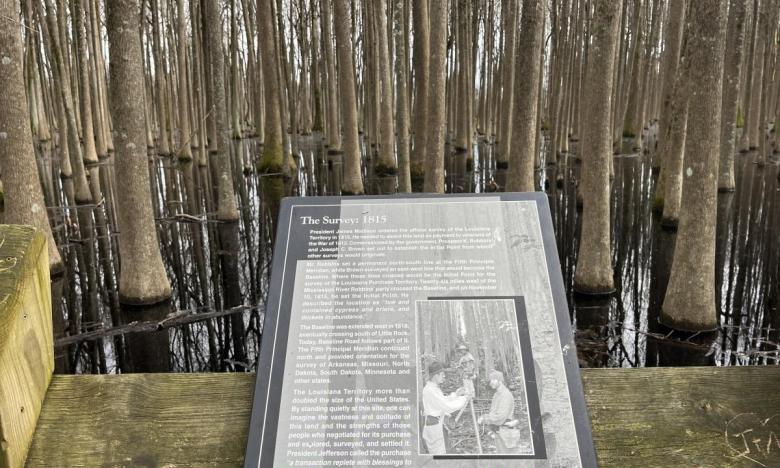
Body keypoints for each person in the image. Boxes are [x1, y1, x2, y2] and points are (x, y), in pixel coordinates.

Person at [421, 361, 469, 454]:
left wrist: (456, 394)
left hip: (438, 424)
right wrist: (464, 399)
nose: (444, 376)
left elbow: (443, 400)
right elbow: (447, 406)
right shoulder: (430, 390)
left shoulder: (433, 388)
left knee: (443, 451)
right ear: (435, 376)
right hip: (434, 427)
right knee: (438, 454)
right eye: (442, 374)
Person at [477, 370, 518, 453]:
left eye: (493, 380)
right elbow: (493, 413)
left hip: (506, 434)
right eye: (490, 380)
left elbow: (500, 417)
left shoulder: (505, 395)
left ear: (499, 380)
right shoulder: (497, 394)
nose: (490, 382)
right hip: (499, 433)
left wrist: (485, 418)